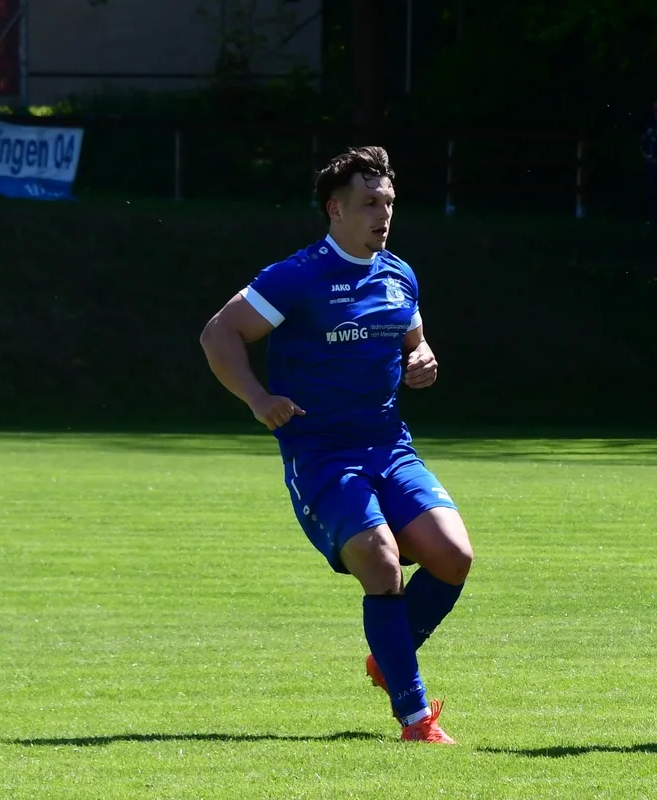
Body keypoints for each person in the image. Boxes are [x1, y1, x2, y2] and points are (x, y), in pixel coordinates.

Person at [199, 146, 472, 745]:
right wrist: (256, 397)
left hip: (389, 447)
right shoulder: (297, 276)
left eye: (389, 203)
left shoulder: (399, 274)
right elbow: (219, 332)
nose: (383, 215)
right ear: (335, 209)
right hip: (322, 454)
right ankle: (416, 718)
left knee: (454, 557)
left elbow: (414, 340)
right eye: (370, 203)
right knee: (381, 561)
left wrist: (423, 358)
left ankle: (388, 654)